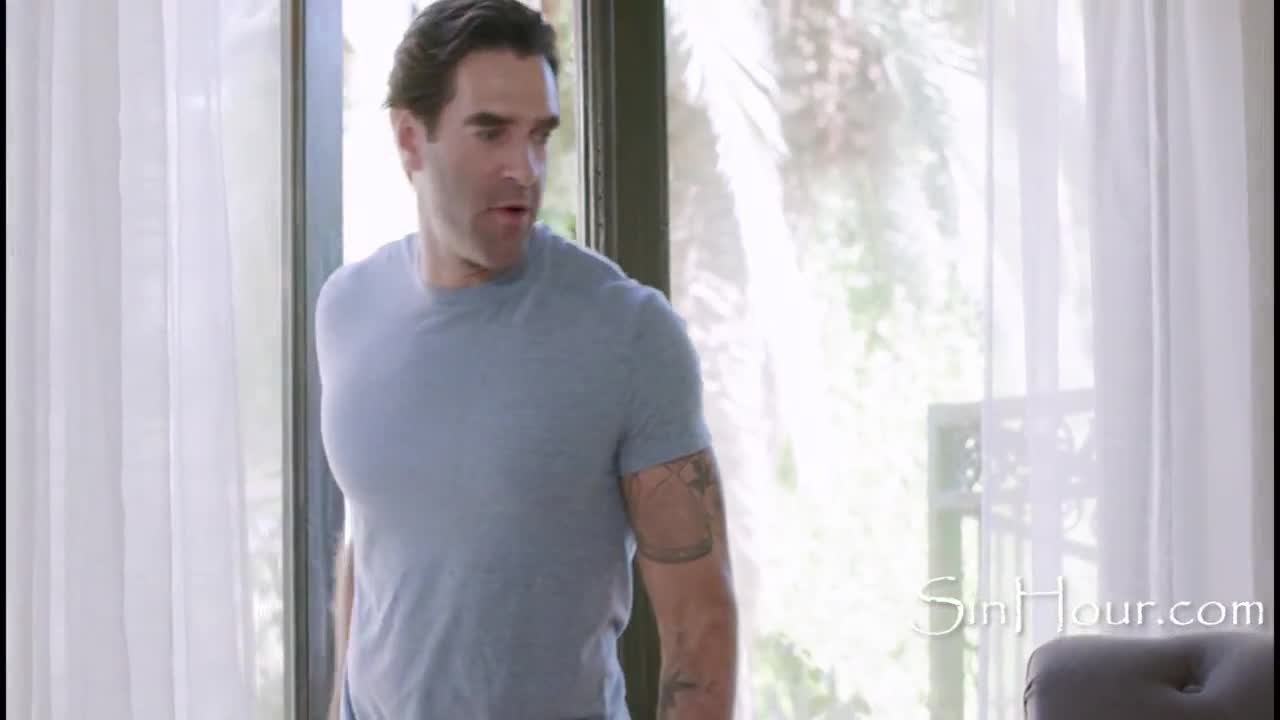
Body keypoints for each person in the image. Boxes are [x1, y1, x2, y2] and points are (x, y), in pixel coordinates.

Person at [315, 1, 738, 717]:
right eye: (491, 133)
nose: (525, 168)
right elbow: (375, 536)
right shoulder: (347, 309)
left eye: (539, 135)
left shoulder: (627, 334)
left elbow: (700, 628)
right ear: (411, 140)